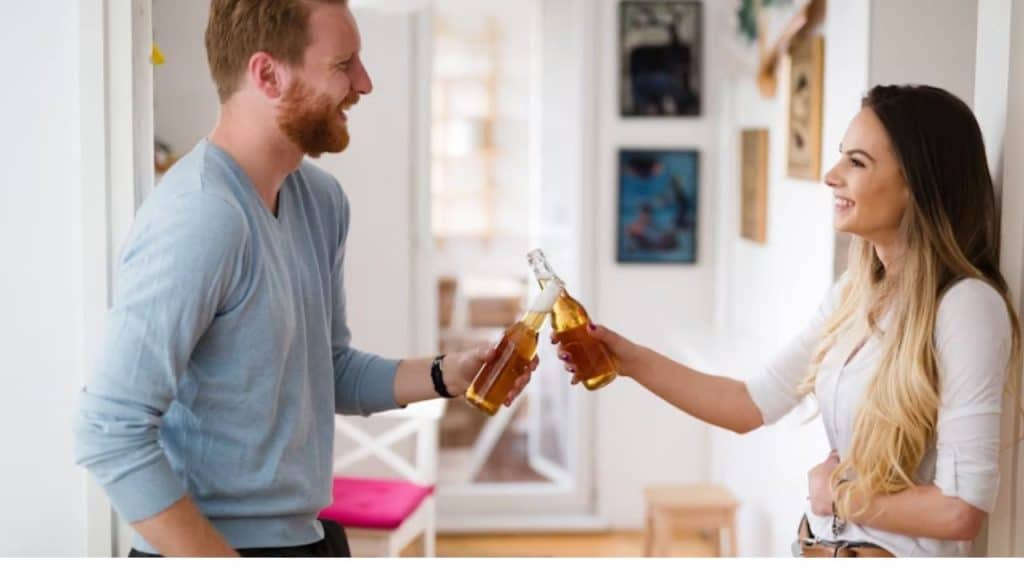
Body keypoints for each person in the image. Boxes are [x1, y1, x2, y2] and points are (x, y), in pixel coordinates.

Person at [73, 0, 535, 557]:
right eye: (344, 64)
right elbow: (108, 430)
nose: (364, 83)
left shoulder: (319, 201)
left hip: (310, 538)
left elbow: (330, 369)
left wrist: (447, 376)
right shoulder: (201, 216)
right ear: (267, 74)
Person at [557, 84, 1022, 557]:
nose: (830, 175)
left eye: (857, 163)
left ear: (918, 183)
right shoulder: (853, 294)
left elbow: (961, 512)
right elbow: (749, 404)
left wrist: (840, 498)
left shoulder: (967, 308)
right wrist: (630, 360)